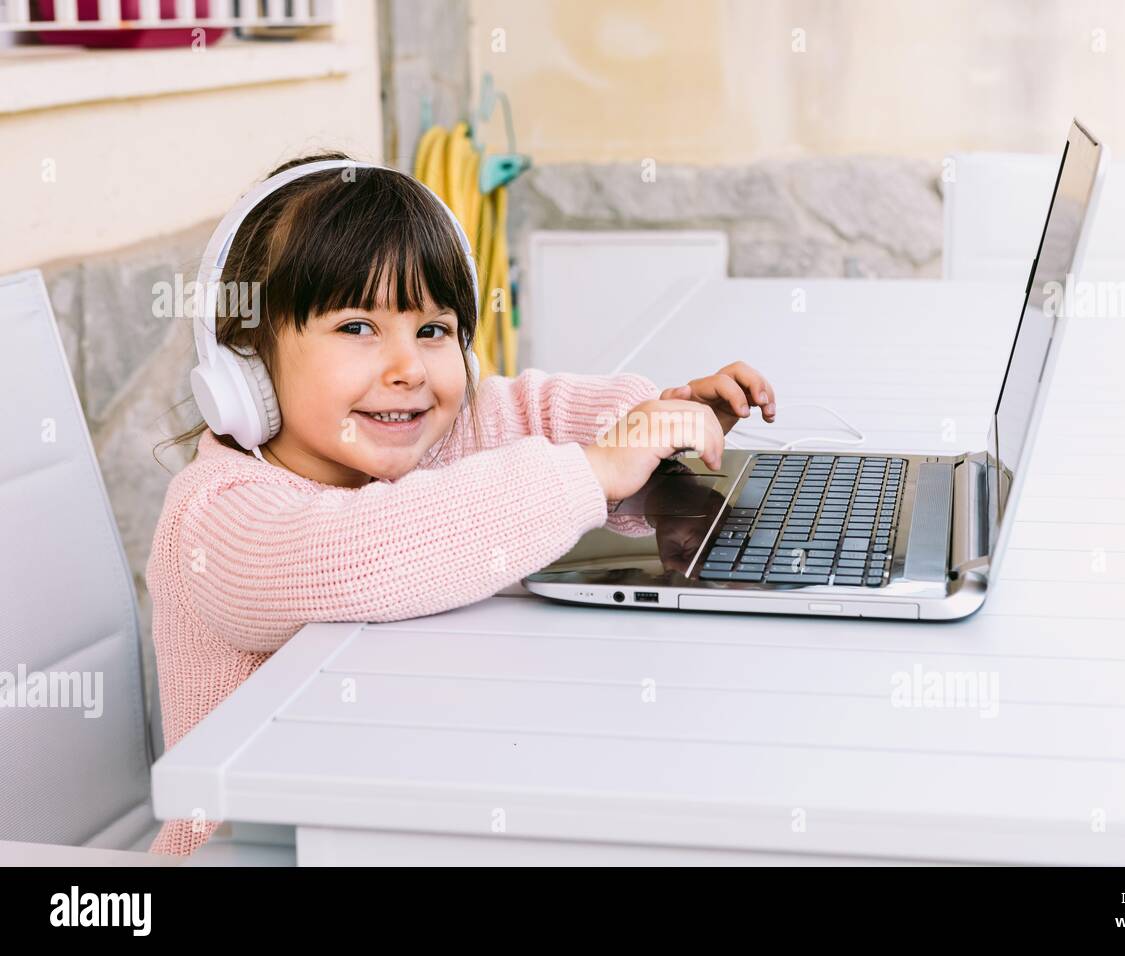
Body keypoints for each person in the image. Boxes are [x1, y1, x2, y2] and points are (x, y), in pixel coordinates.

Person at [147, 152, 778, 856]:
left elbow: (534, 409)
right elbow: (356, 552)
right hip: (259, 850)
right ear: (249, 366)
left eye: (433, 330)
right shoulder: (216, 518)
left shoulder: (430, 429)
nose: (407, 368)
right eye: (358, 328)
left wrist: (657, 417)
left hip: (404, 813)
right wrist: (594, 471)